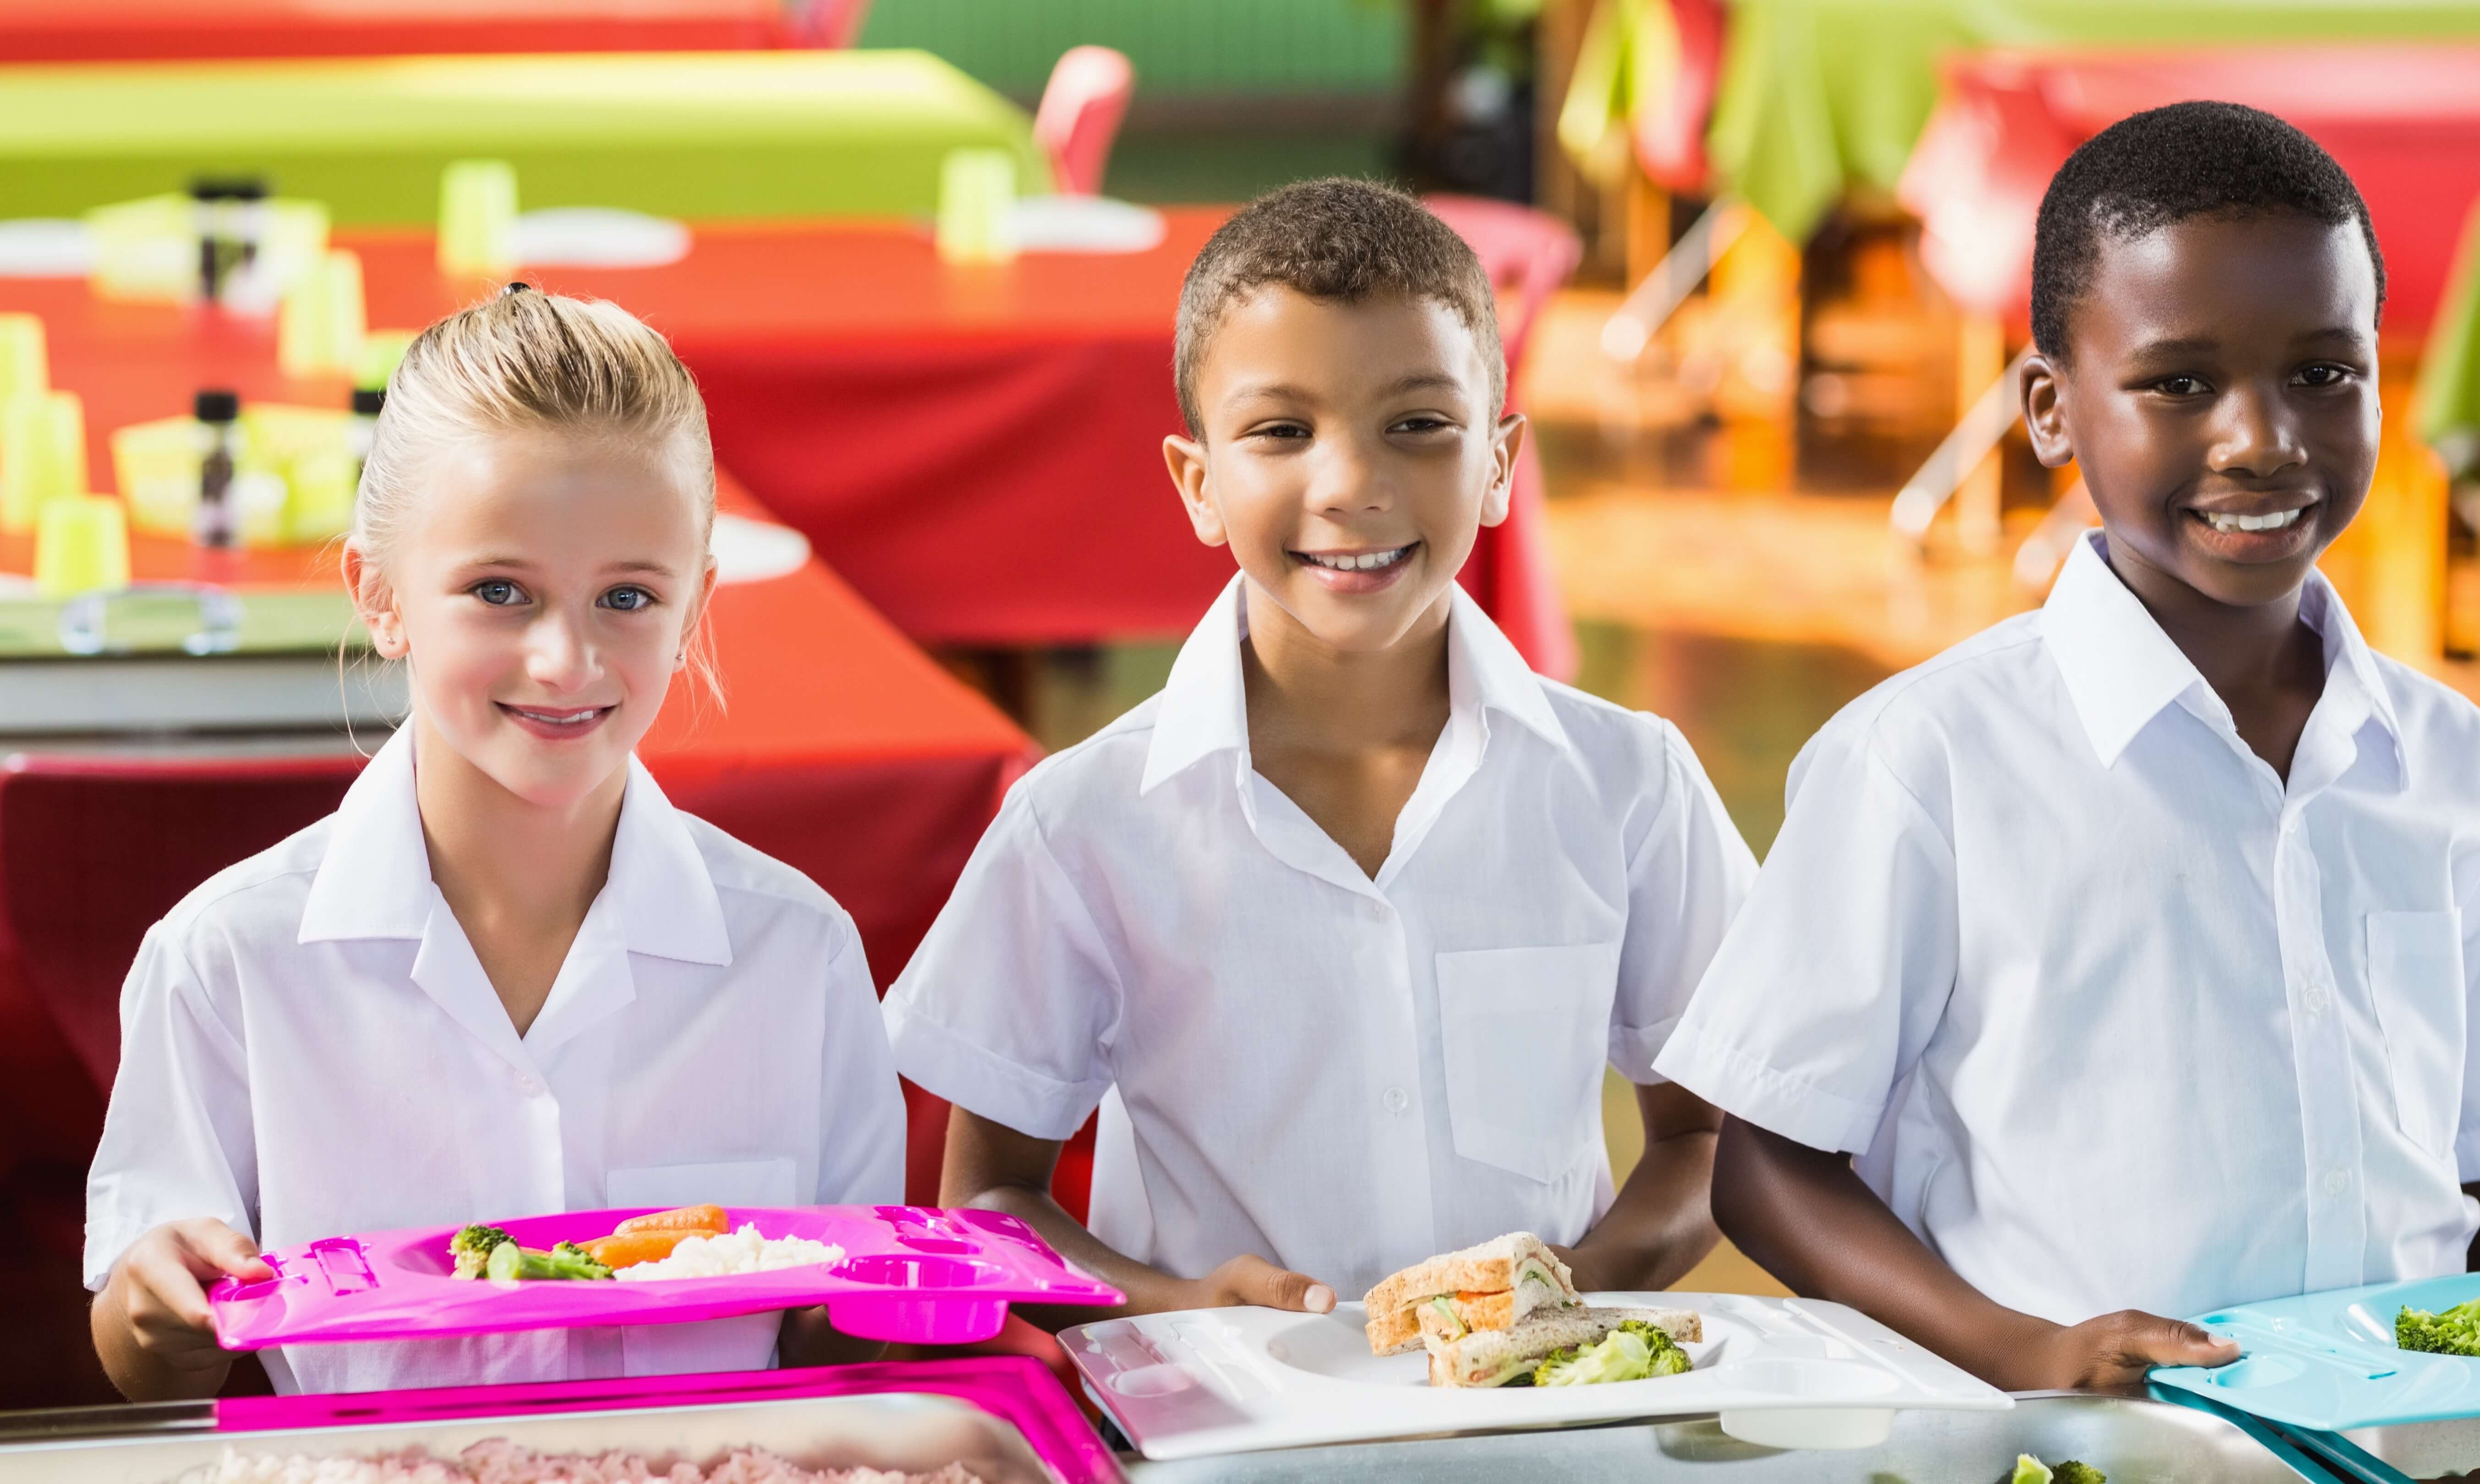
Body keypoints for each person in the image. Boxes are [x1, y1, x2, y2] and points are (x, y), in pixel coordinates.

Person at [1658, 101, 2480, 1392]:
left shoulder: (2455, 767)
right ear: (2054, 412)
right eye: (2181, 383)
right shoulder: (1927, 762)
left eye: (2324, 374)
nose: (2264, 439)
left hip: (2407, 1444)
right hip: (2084, 1455)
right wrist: (2026, 1352)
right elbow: (1767, 1165)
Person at [884, 179, 1756, 1319]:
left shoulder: (1627, 785)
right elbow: (992, 1201)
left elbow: (1710, 1141)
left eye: (1419, 425)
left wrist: (1554, 1299)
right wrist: (1176, 1304)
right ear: (1199, 485)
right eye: (1282, 432)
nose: (1351, 485)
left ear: (1499, 465)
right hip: (1213, 1431)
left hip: (1534, 1428)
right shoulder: (1080, 823)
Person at [85, 287, 904, 1398]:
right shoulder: (227, 959)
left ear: (695, 609)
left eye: (626, 596)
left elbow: (840, 1346)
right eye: (500, 591)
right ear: (381, 596)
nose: (567, 660)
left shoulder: (797, 956)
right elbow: (145, 1350)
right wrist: (157, 1301)